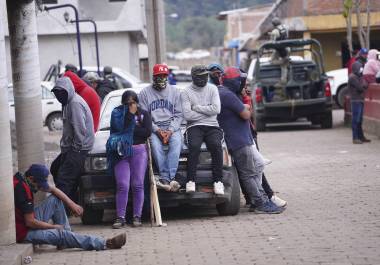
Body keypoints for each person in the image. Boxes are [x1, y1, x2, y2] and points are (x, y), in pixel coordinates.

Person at [218, 67, 284, 214]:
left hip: (242, 140)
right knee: (249, 174)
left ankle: (263, 200)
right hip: (238, 141)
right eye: (241, 81)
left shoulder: (228, 93)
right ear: (234, 82)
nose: (243, 83)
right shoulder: (227, 95)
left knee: (254, 171)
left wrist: (244, 102)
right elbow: (246, 114)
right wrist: (247, 102)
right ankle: (260, 203)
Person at [14, 164, 126, 250]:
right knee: (60, 234)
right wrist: (52, 227)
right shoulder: (22, 190)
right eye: (39, 185)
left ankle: (66, 237)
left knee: (55, 199)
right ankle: (105, 243)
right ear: (32, 178)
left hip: (24, 221)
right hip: (23, 232)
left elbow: (53, 190)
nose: (39, 188)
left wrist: (72, 204)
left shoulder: (21, 178)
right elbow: (30, 222)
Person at [240, 71, 287, 208]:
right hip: (243, 137)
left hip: (250, 134)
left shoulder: (246, 97)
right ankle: (264, 197)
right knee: (253, 167)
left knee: (255, 166)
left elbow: (250, 115)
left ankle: (261, 197)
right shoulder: (234, 97)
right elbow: (245, 114)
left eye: (248, 84)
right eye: (244, 84)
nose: (246, 87)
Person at [108, 90, 152, 229]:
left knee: (138, 184)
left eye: (132, 103)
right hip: (121, 152)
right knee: (122, 184)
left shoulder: (144, 113)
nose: (130, 106)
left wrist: (131, 128)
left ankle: (137, 216)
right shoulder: (117, 113)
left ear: (137, 102)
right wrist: (130, 118)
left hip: (139, 150)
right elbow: (118, 130)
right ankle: (120, 217)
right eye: (127, 103)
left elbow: (147, 132)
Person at [181, 65, 224, 194]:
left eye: (205, 75)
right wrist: (208, 110)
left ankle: (218, 181)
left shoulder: (212, 88)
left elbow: (216, 110)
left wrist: (197, 107)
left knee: (216, 145)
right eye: (200, 76)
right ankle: (190, 181)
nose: (204, 78)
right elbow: (187, 115)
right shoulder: (186, 92)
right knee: (194, 146)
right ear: (193, 77)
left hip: (212, 125)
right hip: (194, 126)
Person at [138, 64, 183, 191]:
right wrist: (157, 130)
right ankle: (168, 178)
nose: (161, 78)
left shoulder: (175, 92)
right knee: (155, 147)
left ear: (167, 76)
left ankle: (166, 179)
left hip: (171, 126)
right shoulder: (144, 93)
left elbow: (179, 115)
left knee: (176, 144)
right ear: (153, 76)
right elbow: (143, 117)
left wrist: (170, 130)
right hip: (153, 127)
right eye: (158, 76)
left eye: (164, 76)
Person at [50, 77, 95, 202]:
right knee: (55, 168)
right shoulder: (67, 103)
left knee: (64, 180)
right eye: (56, 93)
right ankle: (71, 202)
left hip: (79, 149)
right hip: (70, 148)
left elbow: (80, 130)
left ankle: (62, 210)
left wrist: (74, 150)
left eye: (61, 92)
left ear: (68, 90)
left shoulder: (75, 103)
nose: (59, 95)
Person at [348, 62, 371, 144]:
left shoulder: (358, 76)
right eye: (360, 67)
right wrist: (364, 84)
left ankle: (361, 137)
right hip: (355, 101)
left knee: (360, 120)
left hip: (360, 100)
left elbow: (365, 85)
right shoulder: (353, 77)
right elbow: (361, 87)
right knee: (356, 120)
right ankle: (355, 138)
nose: (361, 69)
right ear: (356, 68)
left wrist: (364, 83)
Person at [269, 17, 289, 88]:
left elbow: (272, 42)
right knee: (284, 66)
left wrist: (271, 35)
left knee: (272, 61)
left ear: (273, 24)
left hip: (280, 49)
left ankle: (283, 61)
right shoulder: (285, 28)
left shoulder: (275, 31)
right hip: (287, 48)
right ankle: (283, 80)